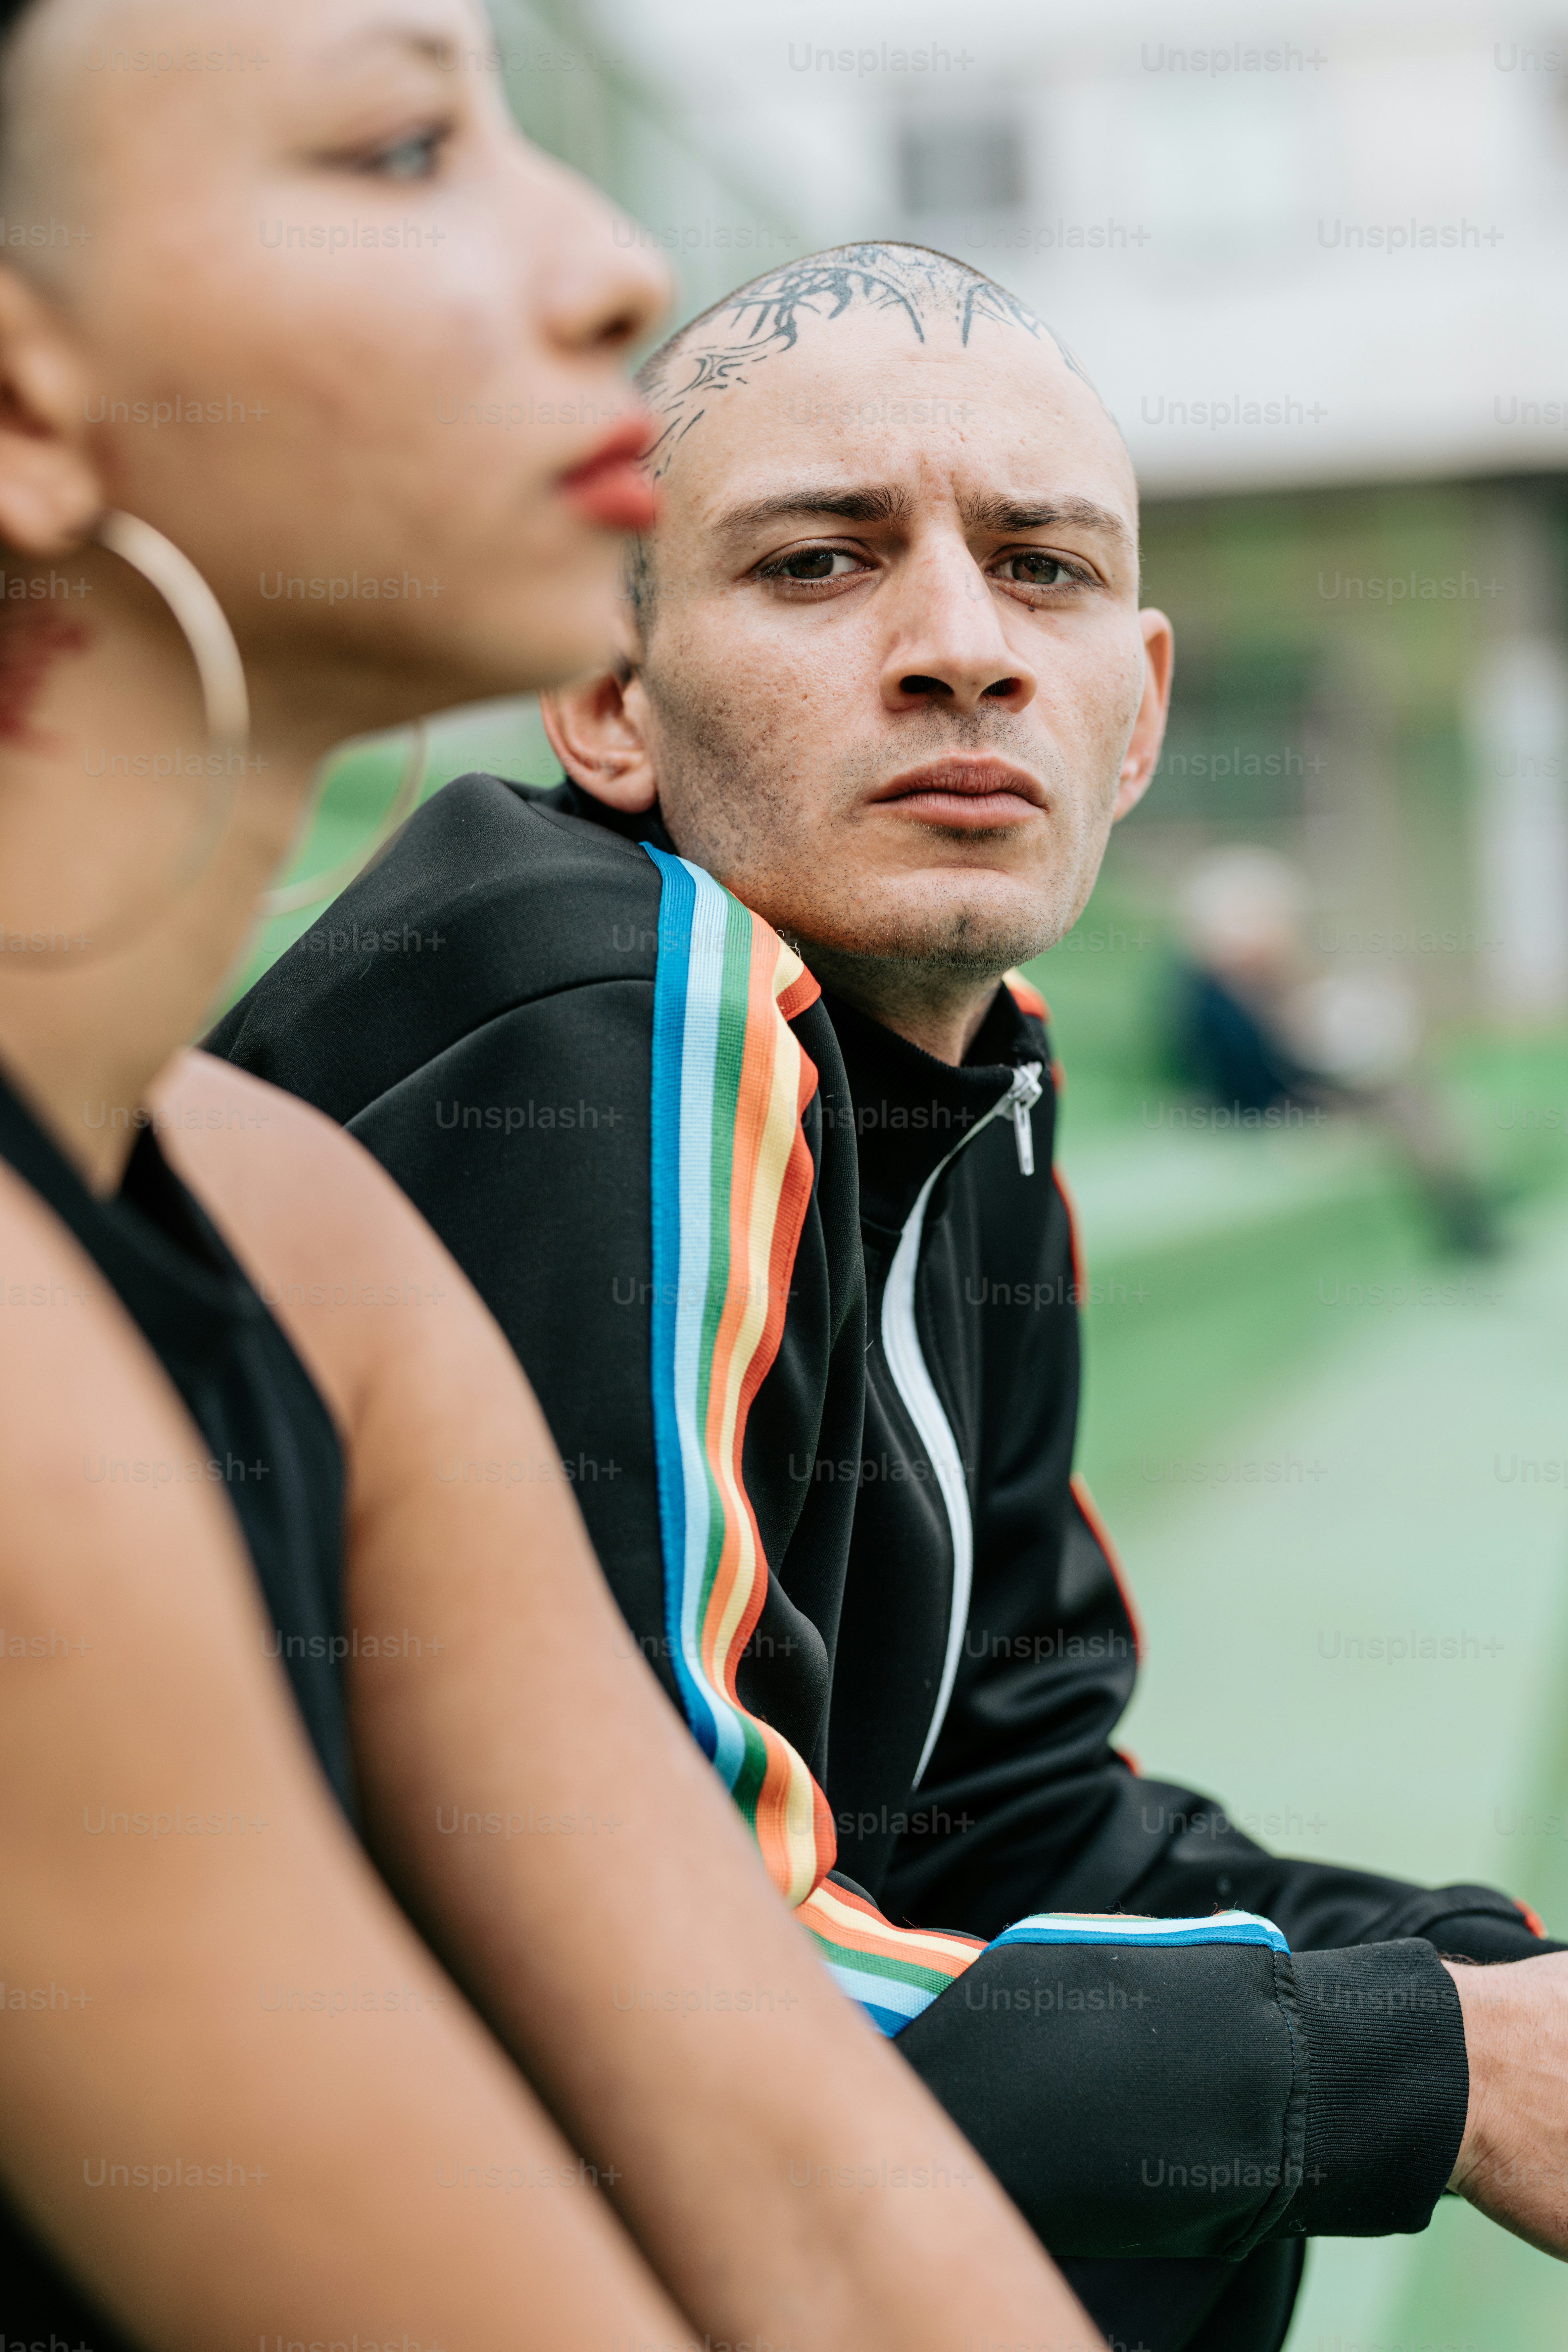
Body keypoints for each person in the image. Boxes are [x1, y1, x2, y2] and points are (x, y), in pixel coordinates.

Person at [212, 239, 1568, 2352]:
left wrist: (1487, 1982)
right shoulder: (623, 1003)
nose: (961, 650)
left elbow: (1010, 1808)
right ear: (605, 699)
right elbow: (644, 2008)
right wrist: (1442, 2065)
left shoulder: (965, 1074)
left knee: (1196, 2140)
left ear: (1142, 713)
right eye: (821, 565)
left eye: (1043, 571)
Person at [0, 18, 1103, 2347]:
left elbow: (791, 2165)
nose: (614, 263)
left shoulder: (285, 1215)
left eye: (1044, 570)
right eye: (403, 144)